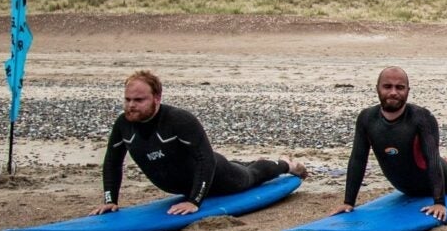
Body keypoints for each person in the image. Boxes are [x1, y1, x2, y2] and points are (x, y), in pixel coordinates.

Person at [94, 70, 307, 216]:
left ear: (157, 98)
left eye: (139, 100)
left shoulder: (179, 120)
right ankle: (259, 163)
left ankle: (286, 165)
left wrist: (194, 201)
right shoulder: (123, 124)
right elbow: (112, 162)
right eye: (127, 99)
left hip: (217, 178)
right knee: (241, 166)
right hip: (187, 183)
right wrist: (110, 199)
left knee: (250, 176)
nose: (131, 105)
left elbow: (205, 159)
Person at [337, 67, 447, 222]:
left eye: (399, 87)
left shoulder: (421, 118)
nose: (393, 92)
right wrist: (348, 202)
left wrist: (439, 203)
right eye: (387, 86)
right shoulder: (367, 118)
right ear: (377, 88)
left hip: (442, 181)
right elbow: (358, 159)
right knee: (437, 162)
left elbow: (432, 161)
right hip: (405, 188)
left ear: (407, 91)